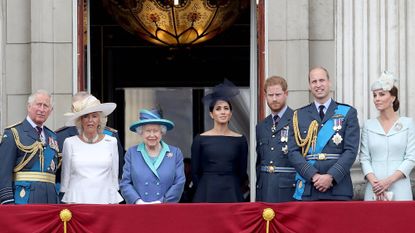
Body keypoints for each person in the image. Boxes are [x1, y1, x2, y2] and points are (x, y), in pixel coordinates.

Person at [289, 66, 360, 201]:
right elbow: (293, 152)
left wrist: (331, 176)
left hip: (338, 187)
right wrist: (313, 176)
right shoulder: (298, 115)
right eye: (314, 81)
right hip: (309, 187)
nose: (318, 85)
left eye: (322, 80)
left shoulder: (348, 112)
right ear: (309, 86)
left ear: (329, 82)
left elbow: (351, 151)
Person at [360, 71, 415, 201]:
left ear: (393, 97)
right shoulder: (368, 125)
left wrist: (388, 181)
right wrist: (375, 182)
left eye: (381, 94)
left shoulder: (407, 123)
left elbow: (411, 157)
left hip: (400, 186)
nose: (376, 99)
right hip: (374, 188)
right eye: (374, 95)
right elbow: (364, 158)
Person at [191, 79, 248, 203]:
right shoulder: (200, 139)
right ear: (211, 114)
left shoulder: (240, 140)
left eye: (226, 108)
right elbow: (195, 172)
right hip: (206, 192)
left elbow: (242, 173)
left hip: (232, 192)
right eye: (218, 108)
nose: (223, 111)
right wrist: (204, 187)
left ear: (231, 113)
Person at [60, 95, 123, 204]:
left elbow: (114, 180)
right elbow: (65, 180)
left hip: (105, 201)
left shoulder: (111, 142)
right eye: (86, 116)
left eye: (94, 116)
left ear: (100, 119)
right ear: (80, 120)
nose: (90, 120)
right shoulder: (69, 142)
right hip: (77, 201)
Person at [0, 90, 60, 204]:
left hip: (50, 201)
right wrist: (7, 201)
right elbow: (3, 172)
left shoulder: (53, 137)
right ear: (29, 107)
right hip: (23, 199)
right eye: (38, 104)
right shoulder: (14, 133)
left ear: (50, 111)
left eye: (46, 106)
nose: (42, 109)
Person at [120, 108, 185, 204]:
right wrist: (138, 202)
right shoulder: (132, 153)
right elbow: (125, 183)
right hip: (139, 209)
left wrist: (162, 202)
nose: (152, 135)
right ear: (141, 132)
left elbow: (179, 183)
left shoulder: (175, 153)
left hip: (165, 208)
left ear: (162, 132)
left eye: (155, 131)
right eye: (147, 131)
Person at [255, 76, 296, 202]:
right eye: (270, 95)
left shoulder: (297, 120)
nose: (274, 99)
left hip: (289, 190)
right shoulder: (261, 126)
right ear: (265, 96)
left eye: (278, 94)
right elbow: (259, 162)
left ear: (286, 94)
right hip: (265, 190)